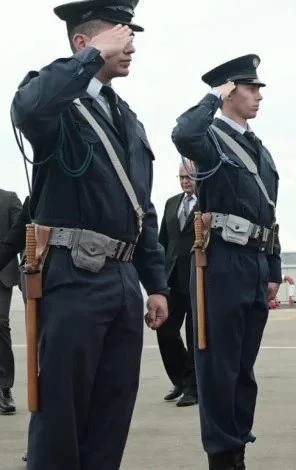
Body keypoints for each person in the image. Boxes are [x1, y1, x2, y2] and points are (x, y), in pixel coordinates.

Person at [10, 1, 170, 468]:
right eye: (120, 36)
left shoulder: (128, 118)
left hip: (122, 280)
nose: (131, 46)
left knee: (111, 414)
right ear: (84, 42)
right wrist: (89, 58)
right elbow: (28, 108)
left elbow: (142, 208)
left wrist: (156, 283)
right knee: (61, 415)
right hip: (72, 277)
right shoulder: (58, 103)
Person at [171, 53, 281, 469]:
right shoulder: (211, 138)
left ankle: (237, 447)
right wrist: (211, 97)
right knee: (219, 365)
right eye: (250, 88)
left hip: (255, 263)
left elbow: (268, 213)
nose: (258, 96)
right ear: (230, 91)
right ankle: (222, 455)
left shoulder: (260, 149)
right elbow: (183, 133)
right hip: (221, 263)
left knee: (243, 367)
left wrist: (273, 268)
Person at [156, 160, 199, 407]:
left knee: (194, 333)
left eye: (189, 177)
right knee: (165, 329)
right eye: (181, 177)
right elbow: (163, 241)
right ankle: (181, 379)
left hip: (196, 278)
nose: (184, 181)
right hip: (171, 278)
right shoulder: (171, 203)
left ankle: (194, 387)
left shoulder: (207, 204)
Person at [0, 189, 21, 415]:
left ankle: (4, 388)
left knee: (0, 323)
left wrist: (30, 269)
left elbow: (23, 234)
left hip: (2, 273)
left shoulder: (9, 199)